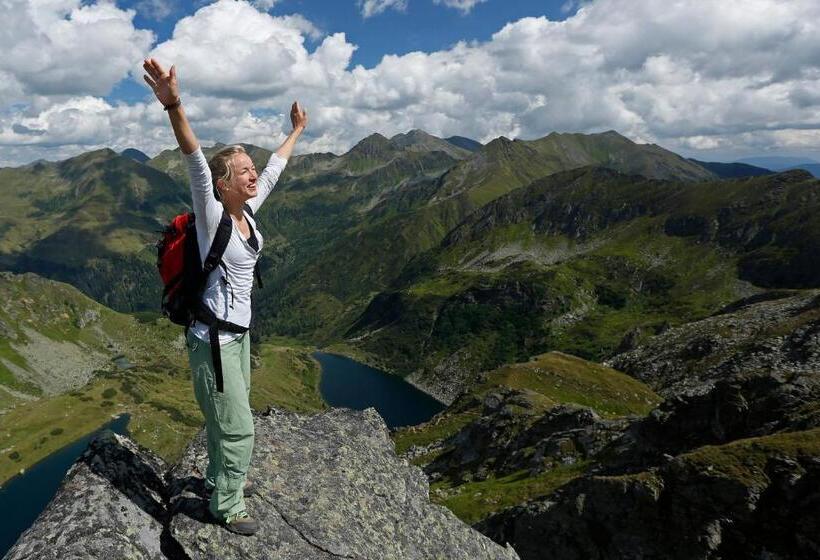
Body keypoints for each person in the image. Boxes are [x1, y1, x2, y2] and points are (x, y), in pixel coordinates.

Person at [142, 58, 307, 536]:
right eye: (242, 172)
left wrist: (296, 131)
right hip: (211, 341)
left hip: (238, 339)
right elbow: (193, 156)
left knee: (229, 417)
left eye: (251, 169)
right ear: (222, 184)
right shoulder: (213, 215)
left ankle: (219, 479)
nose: (253, 176)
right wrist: (174, 104)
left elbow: (275, 169)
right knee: (239, 427)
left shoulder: (248, 213)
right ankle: (227, 506)